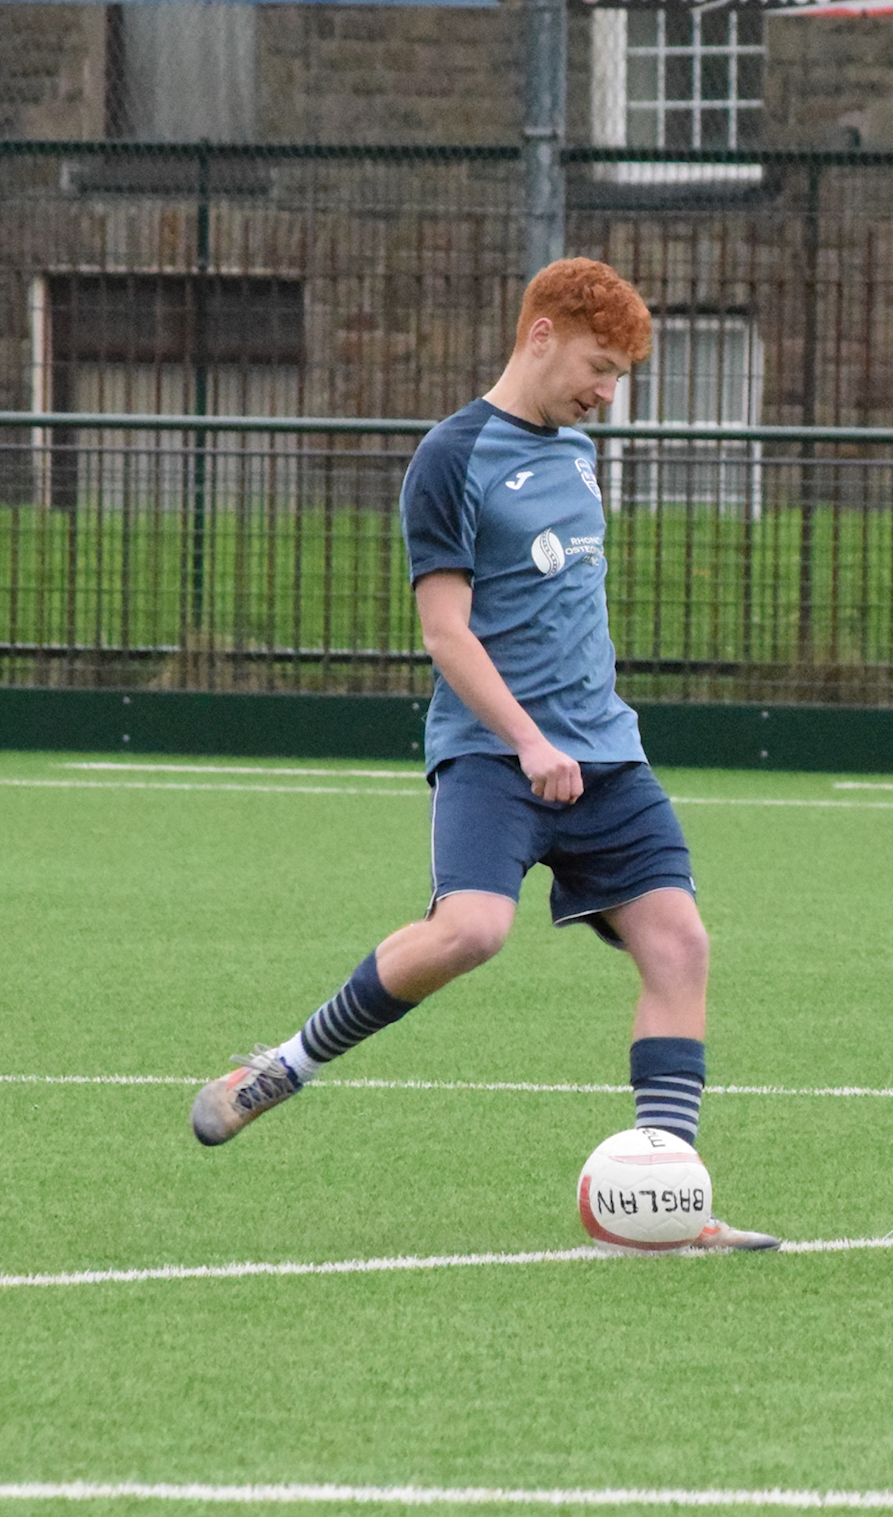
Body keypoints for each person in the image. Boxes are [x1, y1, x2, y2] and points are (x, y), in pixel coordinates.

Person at [187, 257, 778, 1253]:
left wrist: (578, 736)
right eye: (599, 364)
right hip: (496, 757)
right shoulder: (451, 456)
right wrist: (528, 740)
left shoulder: (581, 452)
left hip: (607, 759)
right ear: (539, 333)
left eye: (621, 374)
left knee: (681, 943)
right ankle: (285, 1065)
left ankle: (663, 1190)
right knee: (469, 932)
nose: (607, 389)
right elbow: (446, 631)